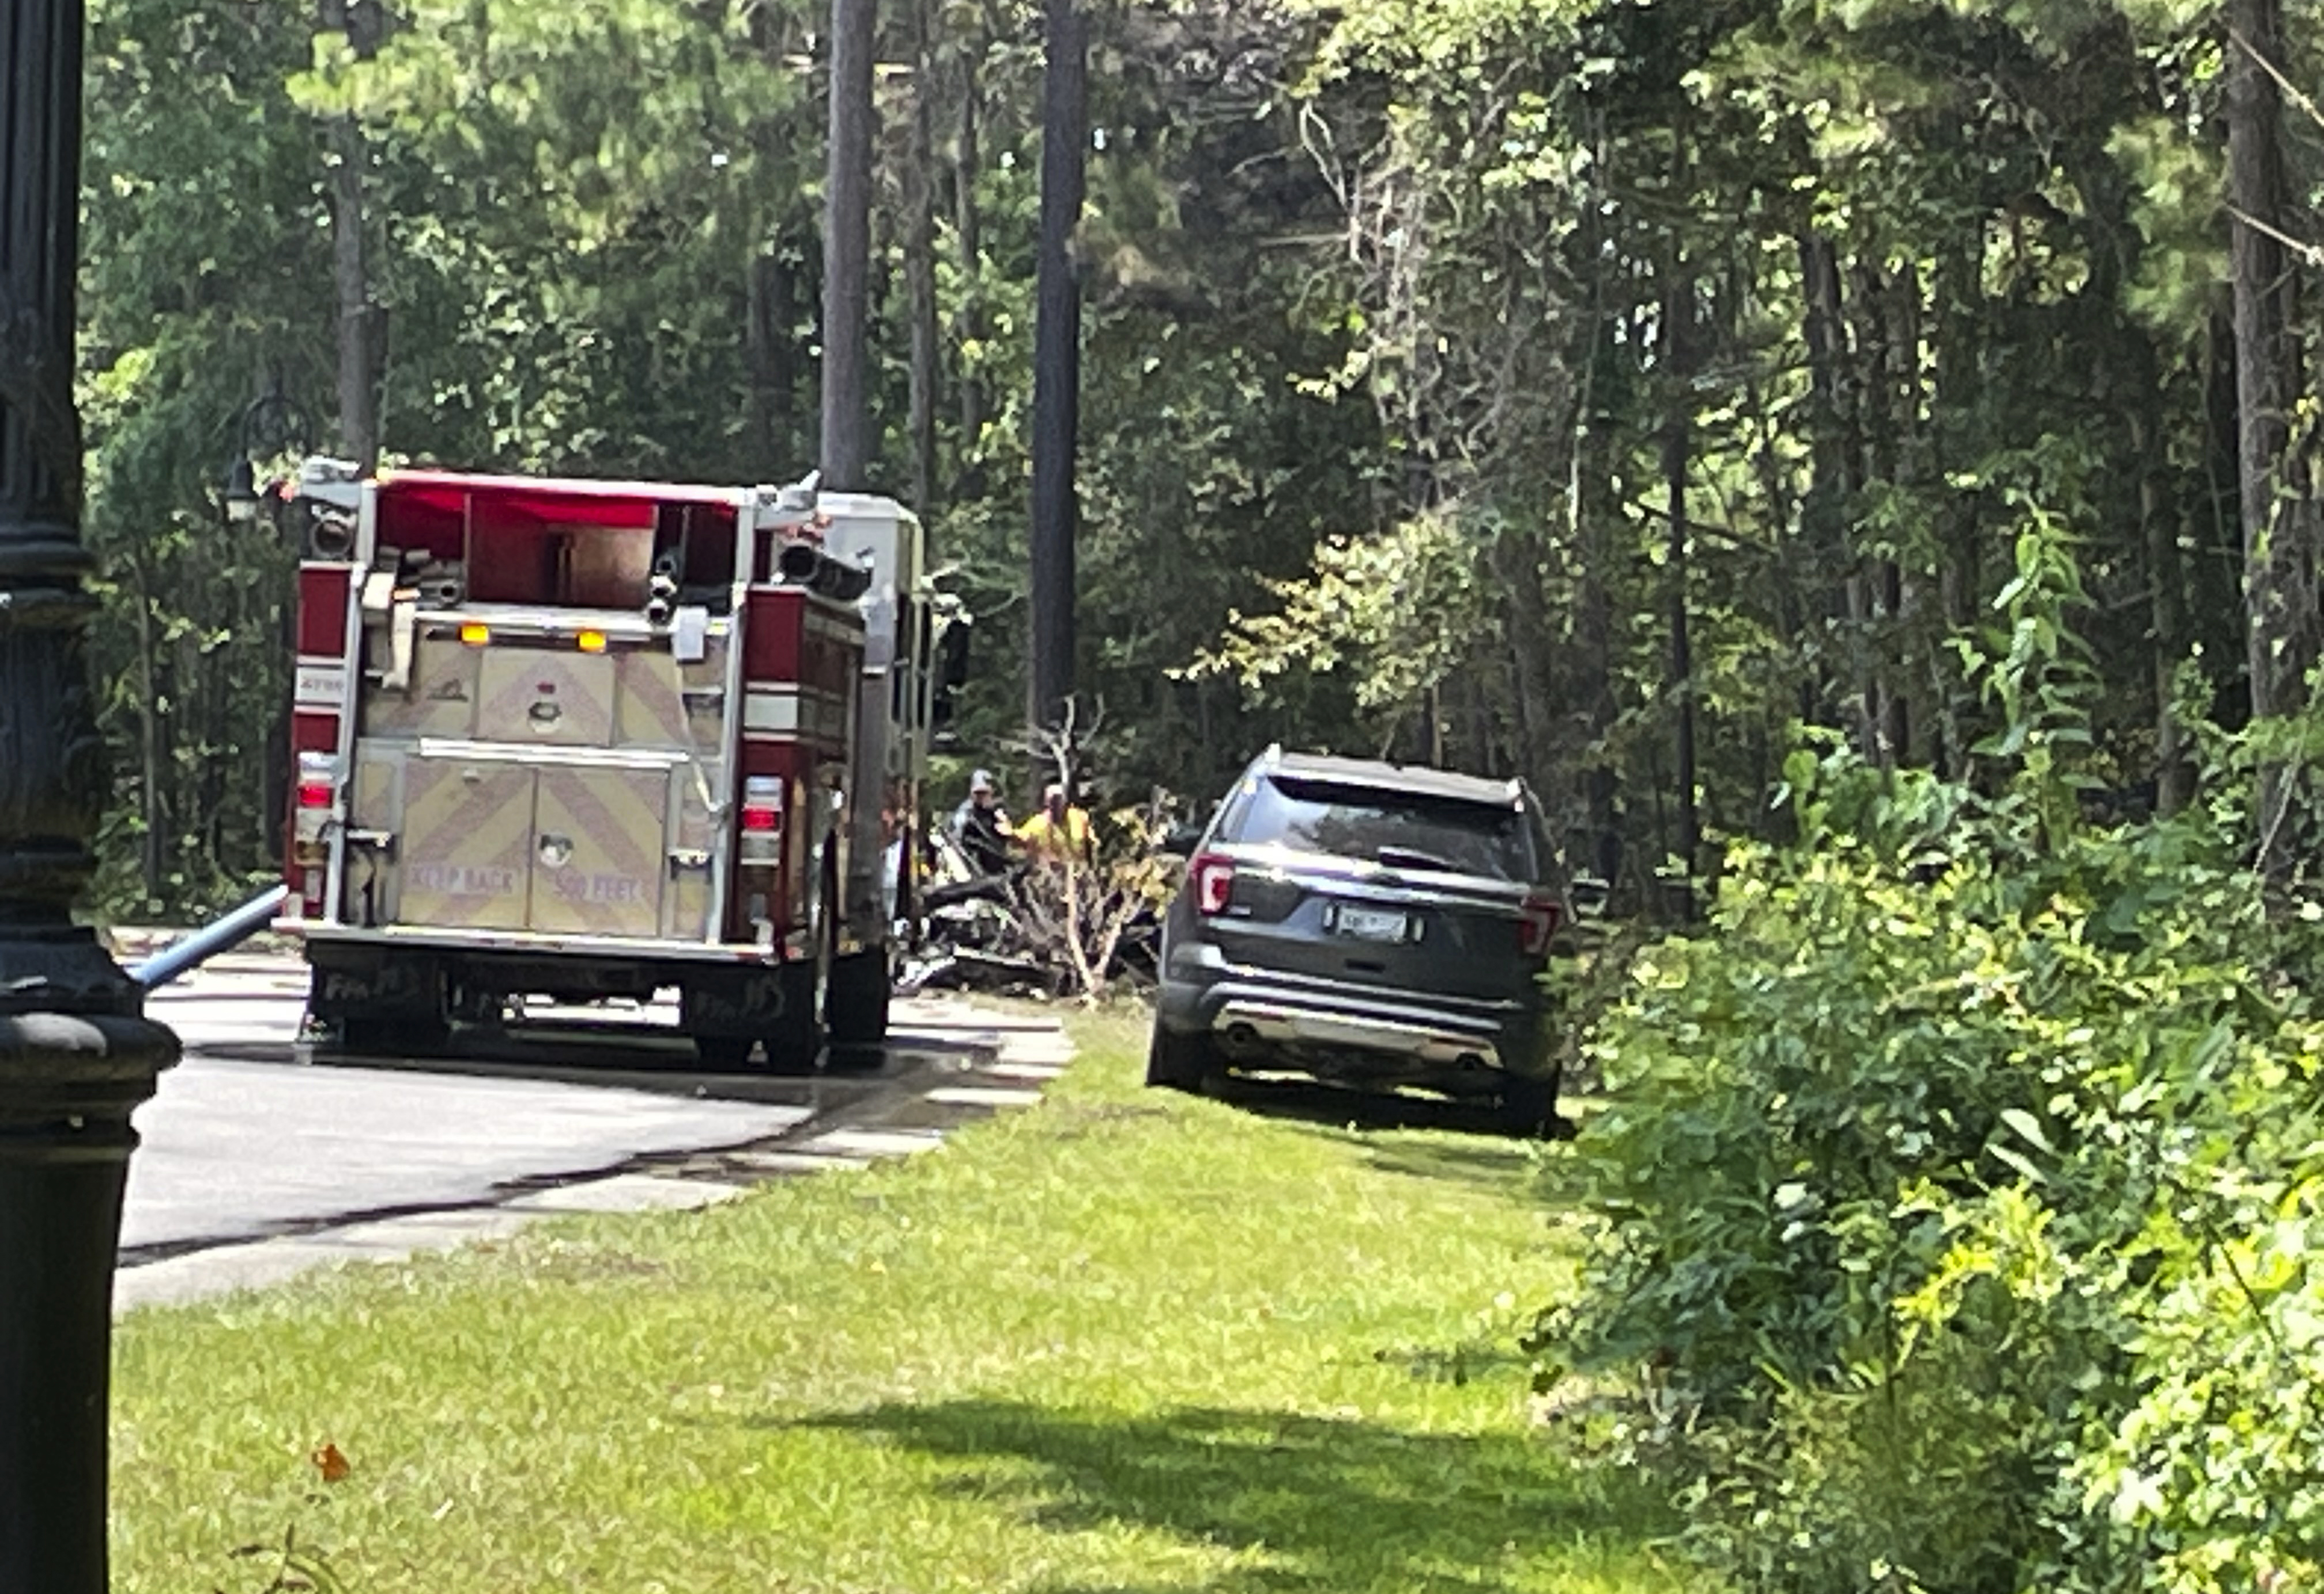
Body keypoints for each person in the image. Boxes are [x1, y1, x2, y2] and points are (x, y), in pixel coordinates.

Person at [949, 768, 1014, 875]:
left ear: (991, 791)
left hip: (998, 869)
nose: (981, 796)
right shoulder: (965, 813)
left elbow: (1007, 838)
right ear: (972, 793)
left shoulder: (996, 812)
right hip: (974, 869)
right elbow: (957, 839)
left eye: (984, 793)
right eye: (978, 793)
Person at [1016, 782, 1094, 866]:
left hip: (1077, 867)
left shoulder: (1077, 816)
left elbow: (1085, 843)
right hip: (1052, 867)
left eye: (1059, 800)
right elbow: (1022, 836)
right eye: (1052, 801)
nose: (1056, 804)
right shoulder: (1041, 821)